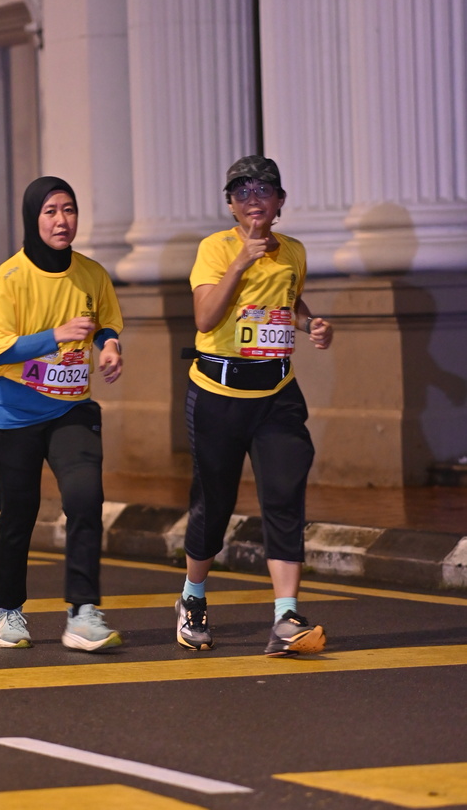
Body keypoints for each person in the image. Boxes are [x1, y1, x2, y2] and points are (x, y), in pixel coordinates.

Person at [176, 156, 333, 657]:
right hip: (218, 395)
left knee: (285, 496)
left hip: (277, 393)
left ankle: (286, 617)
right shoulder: (215, 248)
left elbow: (289, 301)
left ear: (280, 200)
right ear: (230, 205)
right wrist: (240, 262)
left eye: (263, 190)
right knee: (214, 504)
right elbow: (205, 318)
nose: (253, 199)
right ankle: (193, 598)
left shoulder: (294, 251)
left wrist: (310, 324)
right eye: (241, 192)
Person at [0, 176, 124, 651]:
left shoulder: (91, 274)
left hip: (71, 409)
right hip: (13, 413)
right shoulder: (8, 280)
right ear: (32, 218)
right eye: (51, 211)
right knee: (18, 511)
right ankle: (7, 610)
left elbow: (104, 323)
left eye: (69, 209)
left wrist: (110, 347)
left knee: (85, 497)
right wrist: (55, 335)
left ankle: (82, 614)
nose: (62, 220)